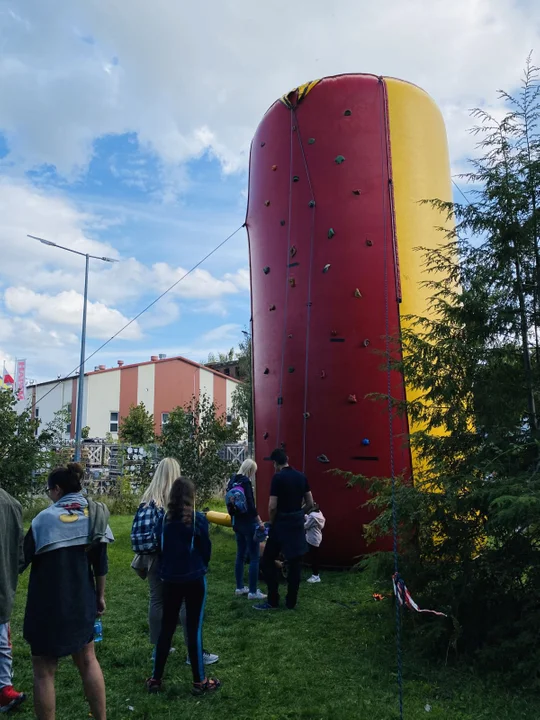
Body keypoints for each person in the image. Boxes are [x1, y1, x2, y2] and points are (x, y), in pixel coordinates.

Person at [21, 463, 114, 720]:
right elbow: (101, 564)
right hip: (81, 601)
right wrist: (100, 597)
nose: (49, 495)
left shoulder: (43, 520)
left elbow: (21, 559)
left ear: (58, 489)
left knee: (43, 670)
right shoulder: (94, 514)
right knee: (88, 660)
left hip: (46, 606)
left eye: (49, 490)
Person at [131, 458, 219, 667]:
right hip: (172, 562)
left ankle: (160, 648)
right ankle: (193, 652)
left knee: (157, 600)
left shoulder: (148, 498)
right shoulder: (173, 500)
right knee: (185, 606)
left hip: (149, 558)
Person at [147, 477, 220, 696]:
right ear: (192, 497)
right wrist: (200, 565)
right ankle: (200, 682)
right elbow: (206, 549)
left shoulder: (163, 520)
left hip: (169, 579)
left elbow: (159, 548)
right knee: (193, 628)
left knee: (166, 629)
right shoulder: (198, 520)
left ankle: (155, 679)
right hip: (194, 578)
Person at [254, 449, 313, 611]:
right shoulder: (301, 476)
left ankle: (273, 600)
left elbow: (272, 506)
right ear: (287, 459)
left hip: (280, 525)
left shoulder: (278, 478)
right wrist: (299, 513)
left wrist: (272, 522)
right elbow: (310, 502)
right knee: (295, 564)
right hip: (296, 525)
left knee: (267, 561)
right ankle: (291, 602)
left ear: (275, 464)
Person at [0, 486, 26, 713]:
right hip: (3, 585)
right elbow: (20, 554)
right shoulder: (12, 503)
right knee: (2, 642)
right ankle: (4, 689)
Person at [226, 459, 267, 601]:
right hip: (249, 523)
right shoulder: (246, 482)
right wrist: (259, 521)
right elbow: (250, 504)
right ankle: (253, 591)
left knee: (240, 555)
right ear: (250, 470)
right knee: (254, 557)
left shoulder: (232, 481)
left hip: (237, 523)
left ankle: (239, 587)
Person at [305, 503, 325, 583]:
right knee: (314, 556)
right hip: (317, 537)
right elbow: (311, 521)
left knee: (313, 558)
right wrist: (306, 517)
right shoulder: (319, 514)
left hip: (312, 538)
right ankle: (316, 575)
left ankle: (315, 576)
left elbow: (306, 526)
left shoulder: (312, 516)